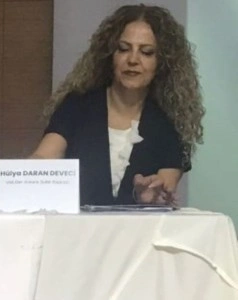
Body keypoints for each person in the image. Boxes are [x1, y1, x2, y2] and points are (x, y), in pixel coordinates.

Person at [31, 4, 204, 206]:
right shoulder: (77, 105)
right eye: (123, 49)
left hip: (140, 226)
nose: (133, 60)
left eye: (146, 52)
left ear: (162, 63)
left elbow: (164, 187)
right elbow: (44, 157)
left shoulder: (170, 120)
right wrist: (22, 174)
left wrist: (151, 197)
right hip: (76, 224)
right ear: (110, 55)